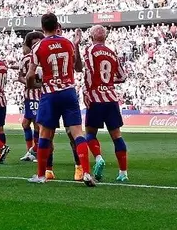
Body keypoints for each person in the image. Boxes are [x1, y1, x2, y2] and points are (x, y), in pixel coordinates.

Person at [26, 13, 96, 187]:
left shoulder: (38, 47)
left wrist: (34, 86)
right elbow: (78, 68)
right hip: (69, 92)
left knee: (45, 135)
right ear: (57, 25)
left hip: (49, 94)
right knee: (77, 133)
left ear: (42, 28)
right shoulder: (68, 43)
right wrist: (77, 45)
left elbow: (30, 75)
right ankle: (86, 172)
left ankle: (42, 175)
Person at [83, 25, 129, 182]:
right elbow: (122, 77)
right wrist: (109, 81)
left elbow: (89, 72)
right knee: (117, 136)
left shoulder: (90, 50)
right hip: (111, 99)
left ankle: (98, 158)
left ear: (91, 36)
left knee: (89, 133)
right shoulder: (112, 53)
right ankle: (123, 172)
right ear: (105, 37)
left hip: (96, 98)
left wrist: (87, 92)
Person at [17, 32, 43, 162]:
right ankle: (31, 151)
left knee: (36, 124)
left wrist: (37, 85)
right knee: (25, 124)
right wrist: (31, 84)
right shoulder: (25, 59)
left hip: (37, 97)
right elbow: (20, 76)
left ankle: (37, 152)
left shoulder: (37, 57)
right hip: (29, 96)